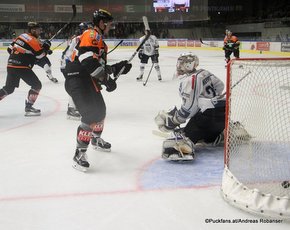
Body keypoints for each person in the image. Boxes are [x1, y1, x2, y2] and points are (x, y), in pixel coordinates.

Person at [64, 9, 132, 171]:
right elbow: (87, 62)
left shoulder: (96, 39)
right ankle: (79, 153)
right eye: (108, 24)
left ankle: (95, 139)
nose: (110, 27)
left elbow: (96, 65)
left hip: (86, 79)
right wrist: (107, 80)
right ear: (101, 23)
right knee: (90, 115)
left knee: (100, 112)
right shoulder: (92, 35)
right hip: (78, 80)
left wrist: (117, 68)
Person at [155, 52, 226, 161]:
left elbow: (190, 108)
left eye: (181, 63)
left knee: (181, 137)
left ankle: (183, 147)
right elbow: (220, 86)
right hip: (223, 115)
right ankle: (215, 137)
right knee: (204, 134)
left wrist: (175, 120)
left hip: (207, 118)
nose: (179, 65)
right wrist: (210, 98)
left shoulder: (189, 80)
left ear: (188, 65)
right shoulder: (204, 72)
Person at [0, 22, 51, 116]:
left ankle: (29, 107)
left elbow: (9, 49)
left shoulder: (21, 36)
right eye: (39, 29)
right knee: (37, 85)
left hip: (11, 65)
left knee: (9, 88)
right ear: (33, 30)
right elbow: (40, 56)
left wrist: (28, 53)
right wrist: (46, 48)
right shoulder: (33, 40)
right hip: (21, 66)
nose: (40, 31)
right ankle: (29, 107)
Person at [60, 22, 91, 120]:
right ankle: (71, 109)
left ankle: (74, 106)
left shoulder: (77, 38)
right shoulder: (79, 39)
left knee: (77, 85)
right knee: (76, 85)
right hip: (68, 65)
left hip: (67, 64)